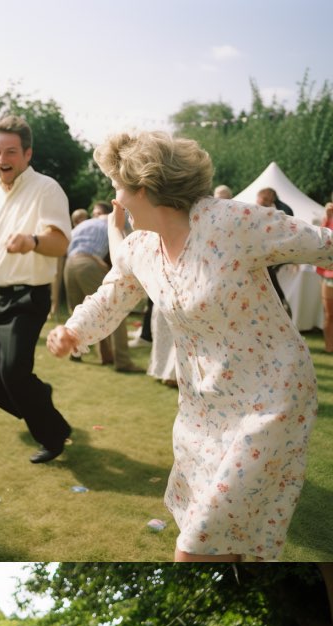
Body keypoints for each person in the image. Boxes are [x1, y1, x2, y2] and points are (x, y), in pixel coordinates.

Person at [47, 130, 333, 560]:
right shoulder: (140, 248)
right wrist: (73, 331)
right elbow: (110, 296)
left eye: (118, 189)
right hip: (203, 411)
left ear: (143, 188)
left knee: (199, 543)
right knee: (228, 535)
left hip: (271, 399)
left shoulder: (232, 222)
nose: (117, 201)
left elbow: (323, 245)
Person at [0, 114, 73, 465]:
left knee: (13, 373)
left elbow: (60, 243)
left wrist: (32, 241)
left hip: (29, 296)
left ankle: (52, 434)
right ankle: (38, 400)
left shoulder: (47, 189)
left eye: (10, 152)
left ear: (27, 154)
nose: (2, 160)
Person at [62, 202, 137, 372]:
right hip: (87, 262)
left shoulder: (85, 224)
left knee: (80, 311)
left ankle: (79, 353)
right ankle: (122, 361)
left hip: (69, 262)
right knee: (114, 308)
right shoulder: (114, 219)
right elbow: (125, 248)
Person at [318, 197, 333, 354]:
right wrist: (327, 218)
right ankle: (329, 347)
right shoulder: (329, 219)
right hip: (329, 275)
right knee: (329, 314)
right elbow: (320, 242)